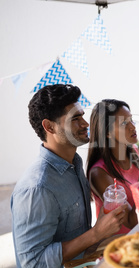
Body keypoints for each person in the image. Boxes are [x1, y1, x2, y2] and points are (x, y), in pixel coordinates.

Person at [11, 84, 126, 267]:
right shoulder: (37, 188)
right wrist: (96, 233)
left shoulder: (75, 163)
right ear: (49, 127)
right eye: (75, 118)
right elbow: (32, 263)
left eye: (82, 115)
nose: (86, 124)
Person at [86, 99, 139, 234]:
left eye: (131, 120)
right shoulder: (99, 173)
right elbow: (130, 222)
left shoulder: (133, 151)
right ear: (107, 132)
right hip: (120, 243)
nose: (133, 127)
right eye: (124, 123)